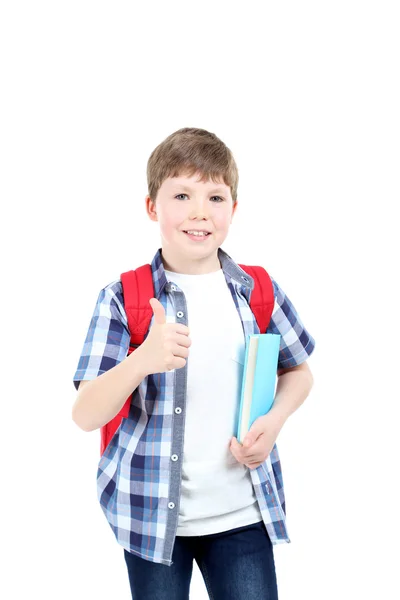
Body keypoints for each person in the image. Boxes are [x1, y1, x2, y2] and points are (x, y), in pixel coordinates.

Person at [72, 127, 316, 599]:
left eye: (215, 196)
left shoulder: (256, 290)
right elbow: (85, 414)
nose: (200, 211)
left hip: (243, 516)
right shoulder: (124, 299)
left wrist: (276, 419)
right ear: (152, 207)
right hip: (149, 519)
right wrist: (142, 359)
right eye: (182, 194)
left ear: (234, 209)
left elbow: (299, 373)